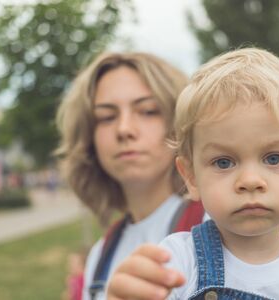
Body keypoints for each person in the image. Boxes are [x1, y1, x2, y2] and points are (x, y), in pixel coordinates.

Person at [107, 47, 279, 299]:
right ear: (191, 176)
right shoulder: (177, 264)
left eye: (273, 158)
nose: (250, 181)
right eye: (223, 162)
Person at [55, 52, 205, 300]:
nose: (124, 129)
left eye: (147, 111)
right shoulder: (100, 256)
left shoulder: (218, 227)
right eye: (106, 117)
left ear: (180, 124)